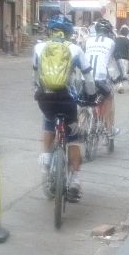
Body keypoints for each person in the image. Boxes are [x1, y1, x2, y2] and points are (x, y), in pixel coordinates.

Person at [33, 14, 96, 199]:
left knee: (48, 123)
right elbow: (88, 77)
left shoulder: (38, 48)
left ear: (50, 31)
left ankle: (46, 162)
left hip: (45, 97)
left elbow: (35, 76)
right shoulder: (75, 49)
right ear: (68, 33)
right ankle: (75, 180)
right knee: (73, 138)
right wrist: (91, 95)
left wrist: (37, 91)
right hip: (67, 99)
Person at [82, 18, 120, 138]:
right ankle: (109, 129)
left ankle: (85, 120)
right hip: (100, 79)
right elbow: (113, 63)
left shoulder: (88, 41)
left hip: (84, 78)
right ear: (108, 32)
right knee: (109, 97)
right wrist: (119, 77)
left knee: (87, 100)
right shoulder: (111, 42)